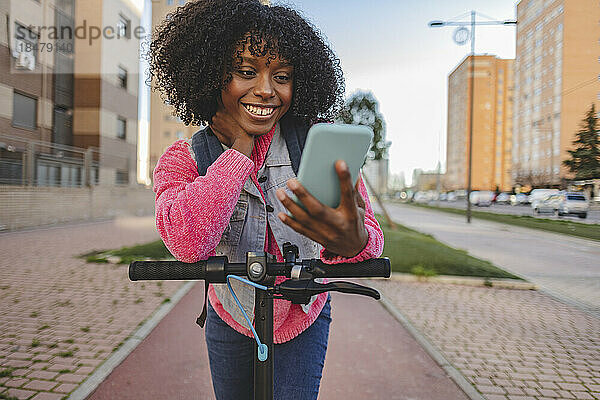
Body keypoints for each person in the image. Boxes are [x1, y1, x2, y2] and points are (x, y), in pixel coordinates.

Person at [148, 1, 384, 399]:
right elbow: (188, 243)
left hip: (303, 315)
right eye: (245, 71)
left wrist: (356, 243)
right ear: (212, 76)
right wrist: (238, 150)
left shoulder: (317, 145)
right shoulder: (186, 158)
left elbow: (368, 236)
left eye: (282, 76)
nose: (266, 89)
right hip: (232, 315)